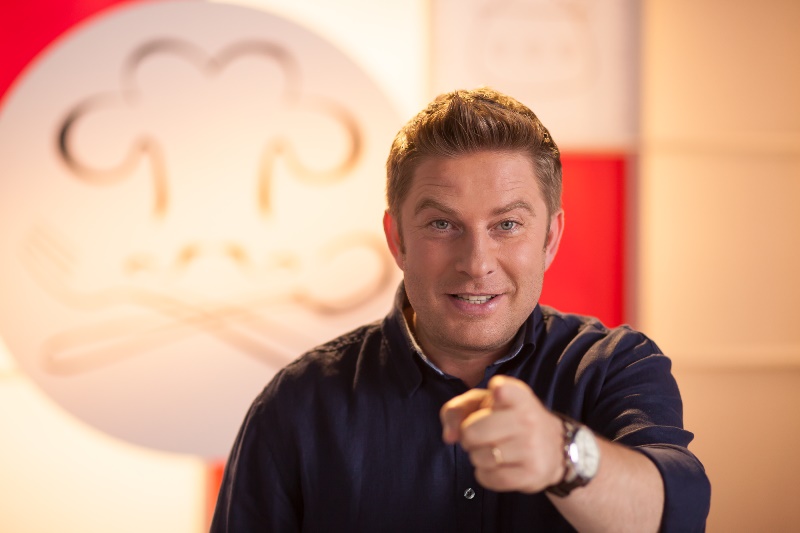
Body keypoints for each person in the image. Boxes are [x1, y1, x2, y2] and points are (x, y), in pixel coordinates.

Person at [210, 87, 710, 532]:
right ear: (397, 239)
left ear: (550, 238)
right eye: (442, 225)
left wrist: (563, 455)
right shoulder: (298, 404)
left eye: (507, 225)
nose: (476, 263)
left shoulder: (614, 367)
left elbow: (675, 517)